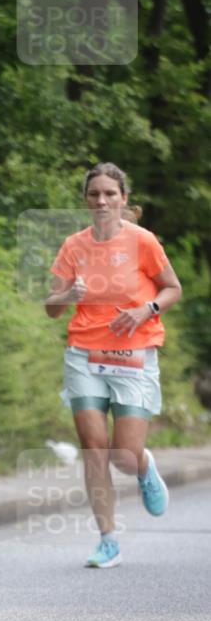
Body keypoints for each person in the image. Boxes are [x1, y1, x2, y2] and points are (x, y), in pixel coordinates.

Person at [45, 163, 182, 568]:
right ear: (86, 200)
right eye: (94, 194)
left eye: (110, 194)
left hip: (134, 353)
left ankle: (142, 465)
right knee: (93, 446)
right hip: (85, 354)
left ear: (123, 199)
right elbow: (52, 309)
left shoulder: (143, 241)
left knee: (123, 454)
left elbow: (173, 288)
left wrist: (147, 309)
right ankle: (108, 540)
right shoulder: (74, 246)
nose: (102, 201)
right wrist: (69, 292)